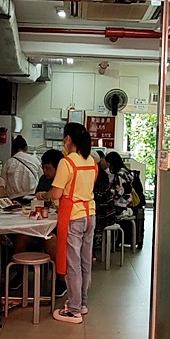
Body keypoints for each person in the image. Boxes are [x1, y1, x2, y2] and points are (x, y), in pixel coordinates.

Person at [50, 122, 98, 324]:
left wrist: (45, 194)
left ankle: (74, 310)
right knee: (85, 261)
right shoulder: (92, 161)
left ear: (68, 139)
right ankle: (83, 303)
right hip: (90, 215)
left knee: (73, 264)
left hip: (73, 217)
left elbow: (56, 193)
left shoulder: (66, 163)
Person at [2, 135, 42, 200]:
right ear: (26, 148)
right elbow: (41, 178)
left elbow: (3, 183)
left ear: (13, 149)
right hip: (31, 197)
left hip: (13, 198)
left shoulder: (9, 163)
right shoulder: (34, 160)